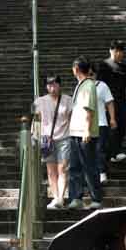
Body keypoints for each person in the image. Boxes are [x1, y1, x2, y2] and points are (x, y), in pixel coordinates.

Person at [64, 58, 104, 209]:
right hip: (75, 131)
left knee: (89, 166)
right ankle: (76, 198)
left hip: (84, 132)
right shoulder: (80, 85)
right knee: (75, 166)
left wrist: (87, 129)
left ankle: (96, 198)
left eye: (73, 68)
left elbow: (89, 109)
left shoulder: (88, 85)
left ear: (76, 69)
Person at [34, 74, 71, 206]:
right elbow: (36, 120)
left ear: (60, 85)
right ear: (46, 86)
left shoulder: (68, 100)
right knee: (51, 170)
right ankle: (55, 197)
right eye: (49, 84)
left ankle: (60, 197)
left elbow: (72, 118)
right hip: (46, 139)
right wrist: (35, 135)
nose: (52, 87)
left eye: (55, 84)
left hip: (64, 138)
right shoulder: (40, 101)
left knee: (63, 168)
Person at [95, 42, 126, 165]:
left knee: (122, 126)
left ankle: (115, 151)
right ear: (110, 51)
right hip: (109, 101)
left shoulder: (124, 68)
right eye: (116, 51)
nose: (119, 53)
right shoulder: (104, 65)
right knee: (112, 127)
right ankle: (113, 152)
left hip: (122, 101)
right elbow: (99, 84)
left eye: (121, 51)